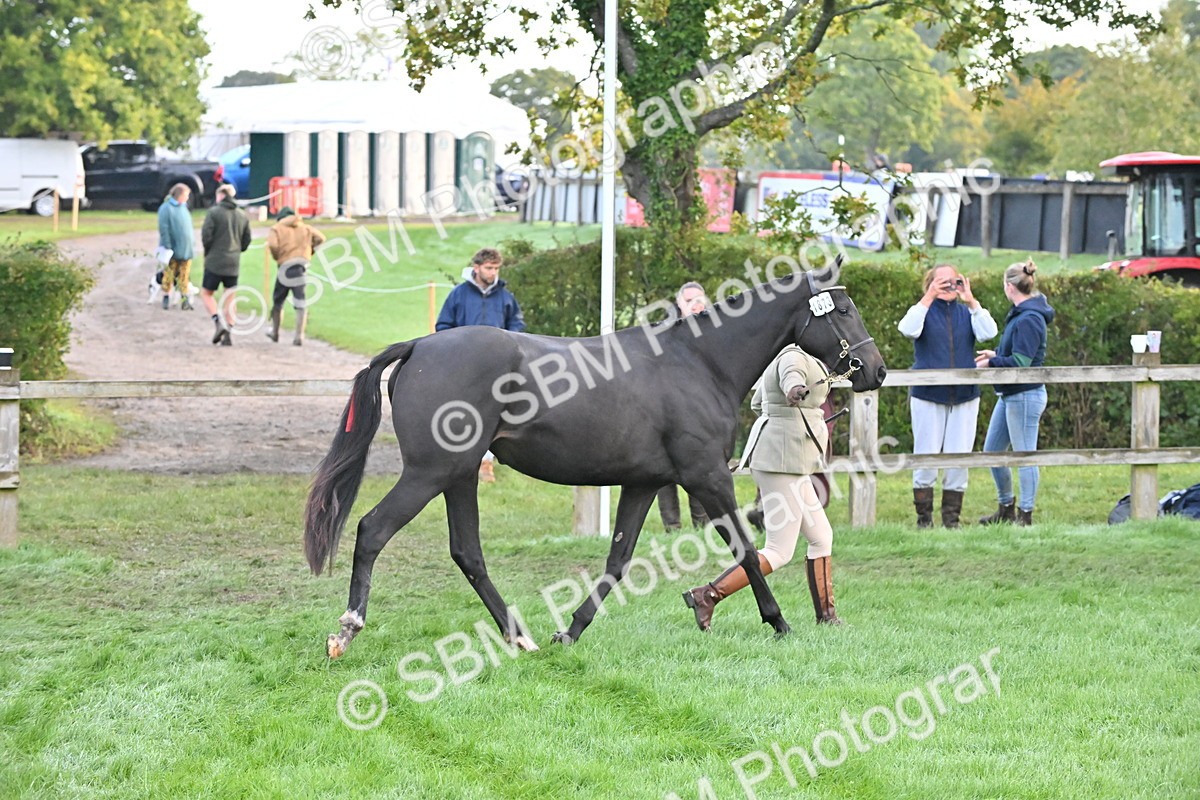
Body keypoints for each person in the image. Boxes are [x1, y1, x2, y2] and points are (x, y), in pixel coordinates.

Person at [682, 345, 842, 630]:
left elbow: (758, 403)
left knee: (821, 536)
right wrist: (794, 391)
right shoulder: (793, 356)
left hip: (791, 459)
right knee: (780, 550)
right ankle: (707, 595)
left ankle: (827, 619)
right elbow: (791, 376)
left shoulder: (785, 353)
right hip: (782, 461)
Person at [898, 264, 997, 528]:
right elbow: (907, 329)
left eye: (953, 281)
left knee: (959, 456)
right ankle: (924, 519)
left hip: (964, 395)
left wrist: (972, 301)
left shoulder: (968, 313)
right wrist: (929, 297)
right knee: (926, 455)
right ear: (930, 283)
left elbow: (989, 333)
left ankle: (951, 520)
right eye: (941, 281)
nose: (948, 286)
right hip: (928, 394)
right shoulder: (922, 312)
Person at [975, 260, 1055, 527]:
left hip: (1025, 394)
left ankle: (1026, 515)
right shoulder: (1023, 314)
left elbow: (1022, 364)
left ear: (1009, 286)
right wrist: (996, 355)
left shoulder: (1029, 318)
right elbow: (1019, 356)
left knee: (1024, 455)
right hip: (1011, 394)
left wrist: (992, 363)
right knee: (993, 452)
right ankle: (1006, 507)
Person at [436, 247, 525, 482]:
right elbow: (443, 326)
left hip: (498, 365)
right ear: (476, 268)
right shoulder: (459, 295)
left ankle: (486, 462)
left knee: (492, 412)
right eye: (489, 268)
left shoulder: (506, 297)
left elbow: (517, 326)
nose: (493, 272)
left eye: (496, 268)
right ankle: (461, 458)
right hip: (465, 365)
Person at [656, 282, 712, 531]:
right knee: (662, 469)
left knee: (700, 468)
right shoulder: (666, 332)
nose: (696, 304)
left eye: (699, 299)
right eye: (689, 300)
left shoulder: (715, 330)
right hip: (667, 409)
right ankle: (672, 527)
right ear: (679, 305)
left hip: (700, 413)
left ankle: (702, 527)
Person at [265, 206, 326, 346]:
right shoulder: (305, 227)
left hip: (284, 267)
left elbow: (273, 245)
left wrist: (278, 256)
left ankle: (275, 332)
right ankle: (299, 335)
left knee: (278, 300)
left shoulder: (277, 228)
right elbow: (321, 238)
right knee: (300, 302)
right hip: (300, 267)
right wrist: (309, 252)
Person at [200, 184, 252, 346]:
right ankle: (229, 330)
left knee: (206, 293)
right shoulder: (242, 215)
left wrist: (208, 250)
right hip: (233, 262)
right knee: (230, 296)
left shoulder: (214, 213)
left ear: (221, 195)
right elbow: (246, 240)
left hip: (215, 260)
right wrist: (237, 250)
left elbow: (206, 236)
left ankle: (217, 321)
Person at [156, 183, 195, 311]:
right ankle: (166, 296)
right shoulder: (166, 208)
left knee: (184, 274)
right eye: (186, 195)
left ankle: (184, 298)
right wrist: (167, 246)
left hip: (186, 249)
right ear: (179, 195)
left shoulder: (184, 208)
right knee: (169, 272)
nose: (187, 198)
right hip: (172, 249)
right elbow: (164, 228)